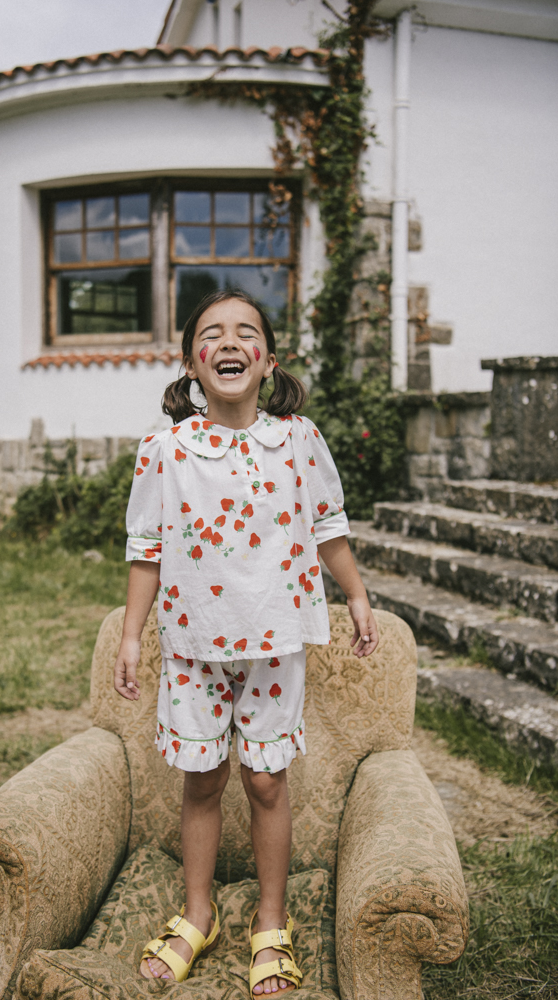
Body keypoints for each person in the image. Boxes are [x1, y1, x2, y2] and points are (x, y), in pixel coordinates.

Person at [114, 289, 379, 997]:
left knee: (264, 780)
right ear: (191, 362)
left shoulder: (298, 439)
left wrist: (353, 593)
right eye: (211, 334)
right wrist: (133, 637)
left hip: (274, 642)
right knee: (202, 779)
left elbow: (327, 527)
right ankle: (197, 915)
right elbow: (146, 547)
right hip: (193, 641)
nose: (229, 343)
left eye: (245, 333)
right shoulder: (164, 449)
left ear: (267, 359)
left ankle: (270, 920)